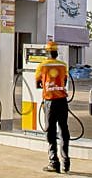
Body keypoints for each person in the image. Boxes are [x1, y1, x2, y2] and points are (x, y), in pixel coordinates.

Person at [34, 41, 71, 174]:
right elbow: (65, 81)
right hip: (62, 101)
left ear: (47, 52)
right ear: (56, 52)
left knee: (50, 132)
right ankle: (66, 163)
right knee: (64, 131)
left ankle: (53, 162)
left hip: (50, 101)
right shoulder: (63, 65)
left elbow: (37, 83)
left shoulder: (42, 66)